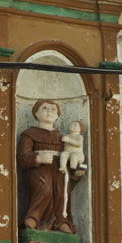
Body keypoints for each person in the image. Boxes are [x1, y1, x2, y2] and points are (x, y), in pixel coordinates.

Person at [17, 99, 76, 234]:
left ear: (57, 116)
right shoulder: (29, 134)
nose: (49, 112)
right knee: (45, 189)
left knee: (62, 192)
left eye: (53, 109)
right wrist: (38, 158)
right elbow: (22, 157)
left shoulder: (61, 137)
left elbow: (70, 152)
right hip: (39, 168)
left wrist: (74, 166)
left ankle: (61, 221)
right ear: (36, 113)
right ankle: (33, 217)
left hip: (59, 167)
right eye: (44, 108)